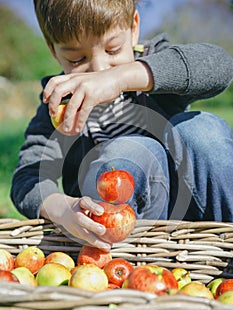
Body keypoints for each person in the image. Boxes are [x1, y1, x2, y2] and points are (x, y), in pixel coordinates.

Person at [11, 0, 233, 251]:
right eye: (77, 58)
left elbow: (219, 65)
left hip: (193, 214)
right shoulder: (59, 103)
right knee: (128, 151)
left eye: (113, 49)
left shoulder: (155, 64)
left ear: (134, 27)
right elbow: (27, 177)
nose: (98, 69)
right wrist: (62, 209)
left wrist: (122, 78)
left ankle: (227, 248)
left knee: (201, 129)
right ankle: (126, 258)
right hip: (123, 239)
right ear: (53, 50)